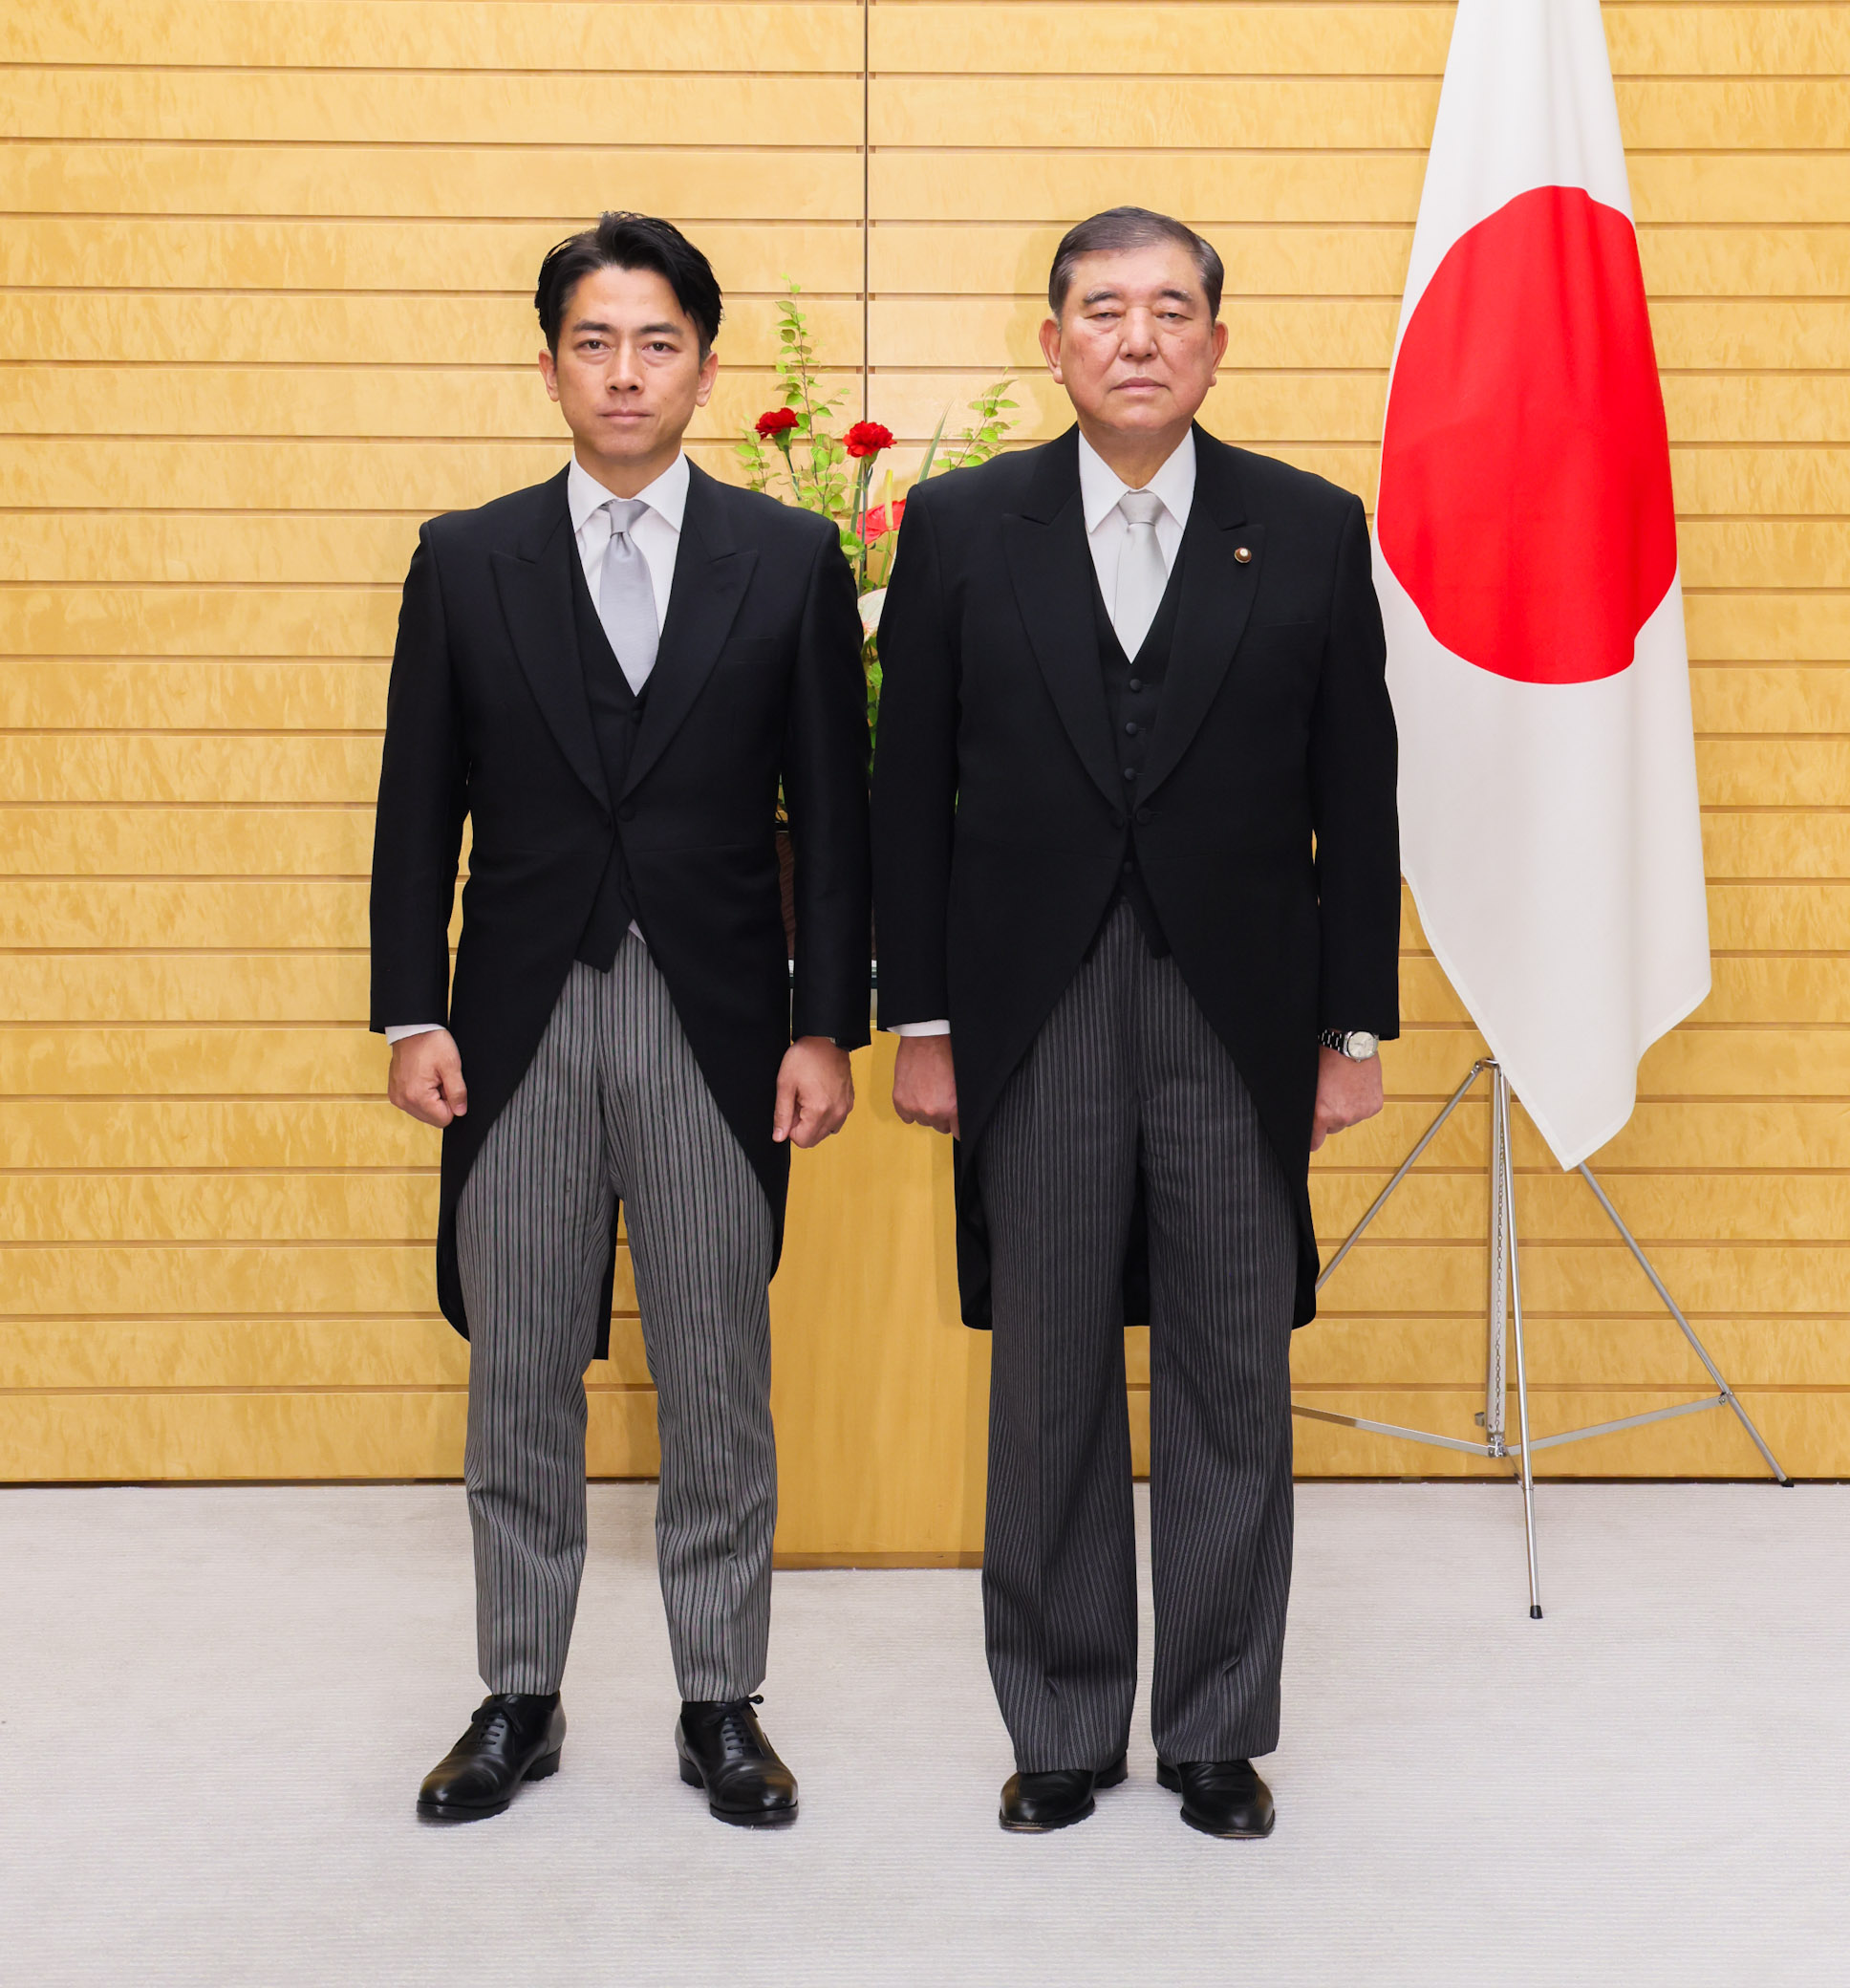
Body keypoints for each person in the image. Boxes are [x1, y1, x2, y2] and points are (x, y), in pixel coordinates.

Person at [871, 205, 1399, 1839]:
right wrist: (924, 1020)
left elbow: (1356, 796)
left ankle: (1221, 1728)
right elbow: (912, 798)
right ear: (1053, 344)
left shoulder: (1307, 528)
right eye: (1104, 308)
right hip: (1031, 1013)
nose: (1139, 336)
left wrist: (1352, 1032)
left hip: (1239, 1016)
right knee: (1048, 1377)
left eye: (1173, 309)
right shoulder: (964, 527)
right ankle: (1059, 1721)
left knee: (1235, 1368)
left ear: (1218, 346)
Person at [371, 211, 870, 1826]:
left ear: (706, 370)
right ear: (549, 367)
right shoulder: (464, 558)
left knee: (720, 1365)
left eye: (658, 342)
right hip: (513, 1020)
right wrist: (407, 1011)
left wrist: (824, 1026)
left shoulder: (789, 563)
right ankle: (518, 1693)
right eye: (595, 341)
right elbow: (413, 812)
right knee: (518, 1365)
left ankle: (722, 1700)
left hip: (718, 1022)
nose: (626, 370)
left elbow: (835, 818)